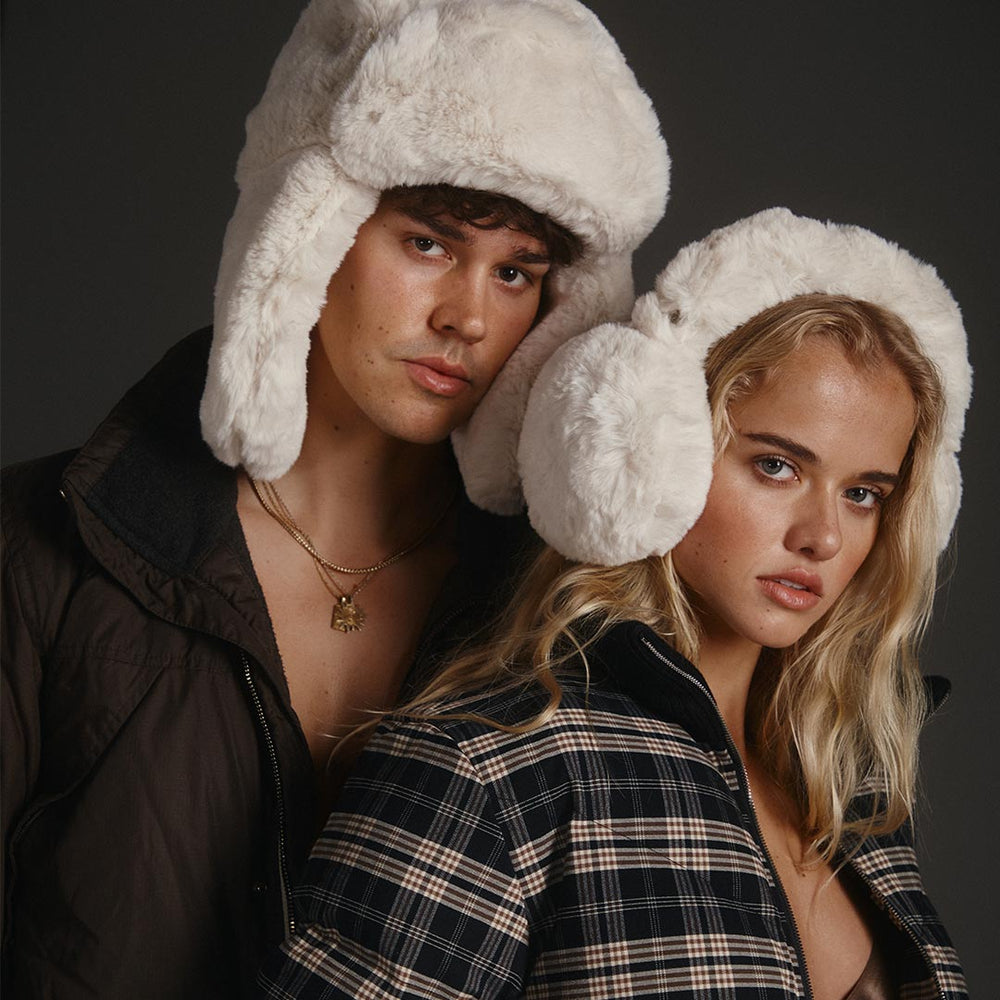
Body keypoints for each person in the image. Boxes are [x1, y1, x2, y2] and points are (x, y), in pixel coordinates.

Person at [0, 0, 669, 996]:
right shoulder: (45, 539)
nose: (467, 318)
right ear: (308, 229)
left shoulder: (553, 608)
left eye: (517, 271)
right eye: (429, 244)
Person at [258, 208, 972, 999]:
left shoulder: (847, 789)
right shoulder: (492, 766)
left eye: (865, 494)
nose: (823, 537)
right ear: (658, 447)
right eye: (775, 466)